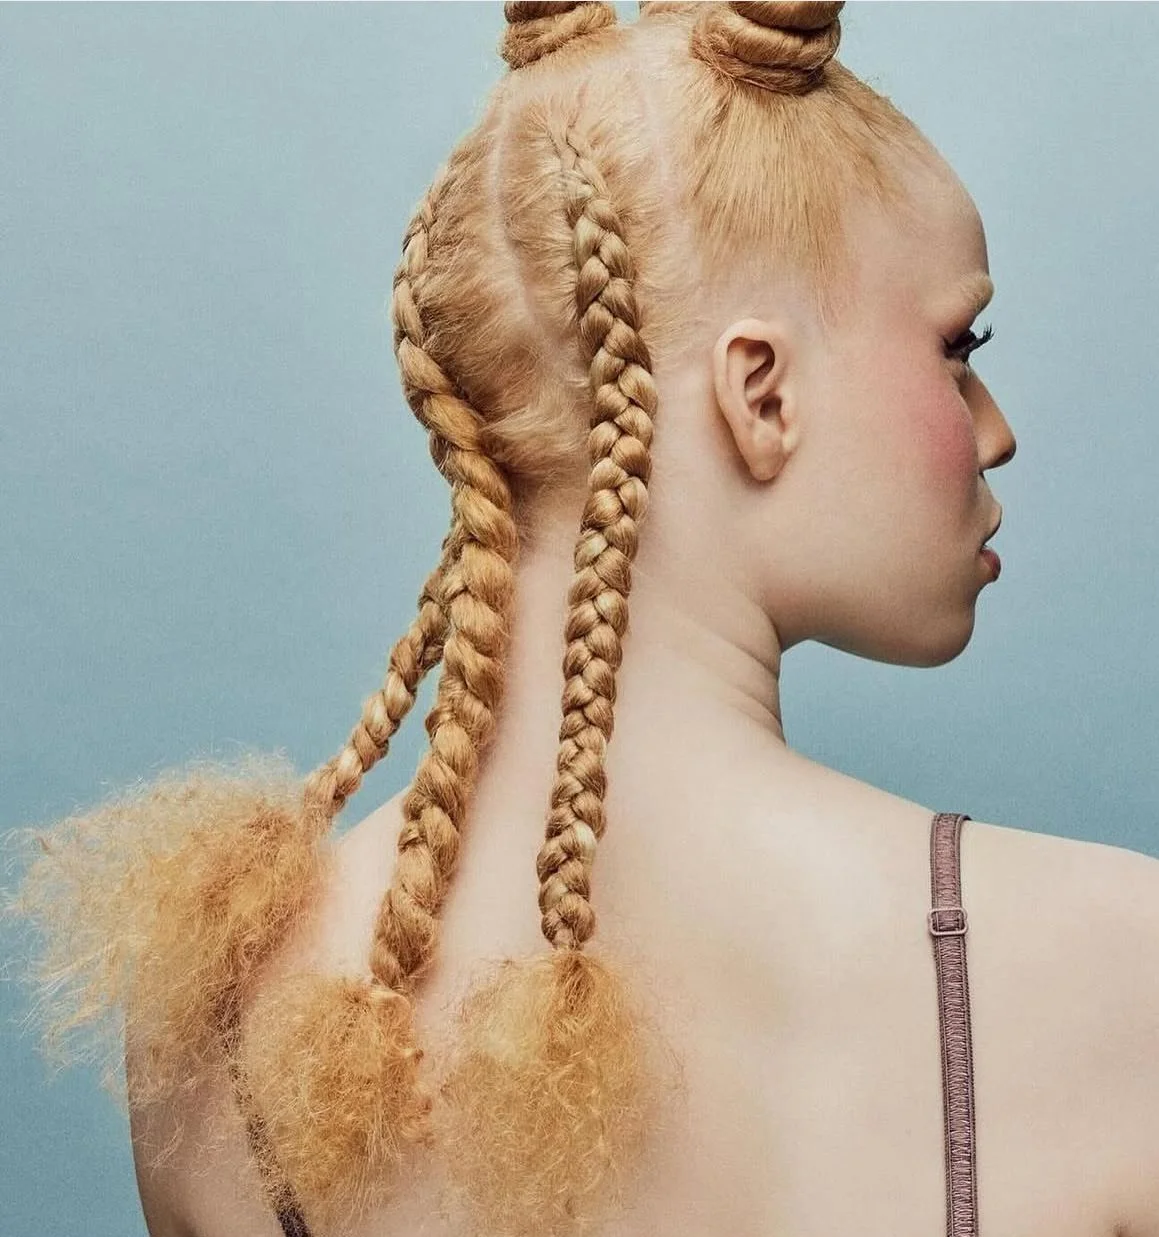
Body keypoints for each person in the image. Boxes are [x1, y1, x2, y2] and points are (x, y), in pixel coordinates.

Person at [9, 3, 1159, 1236]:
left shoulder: (215, 1035)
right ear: (757, 390)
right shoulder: (1108, 965)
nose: (994, 429)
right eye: (954, 345)